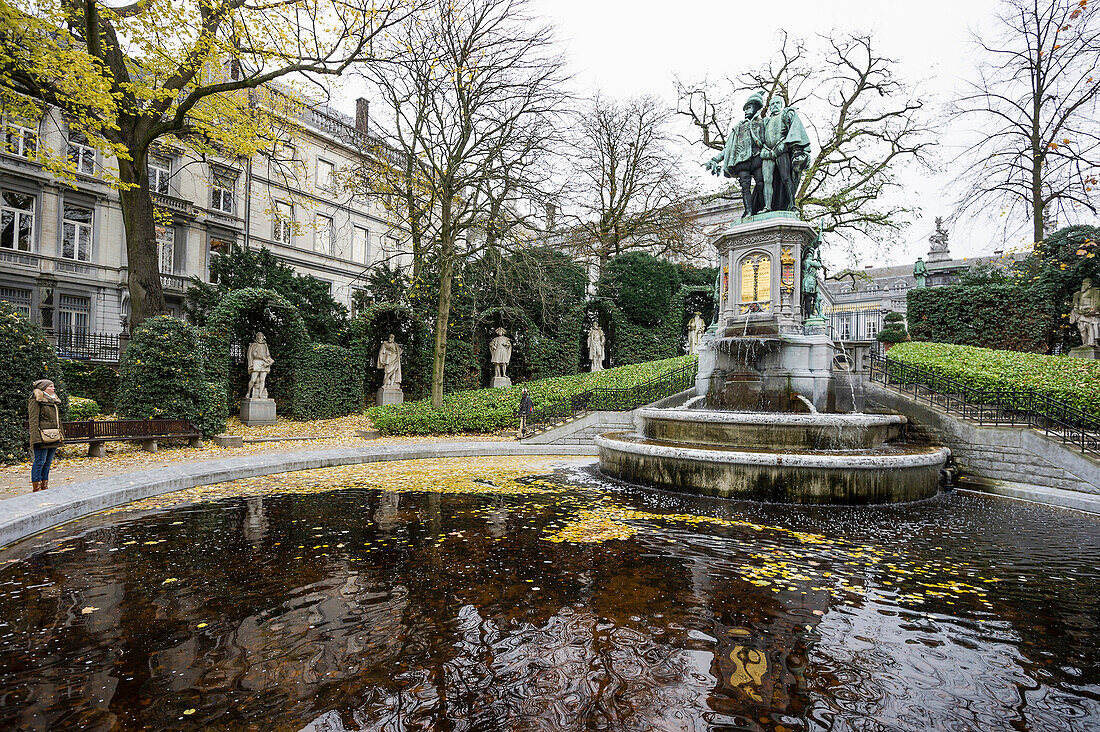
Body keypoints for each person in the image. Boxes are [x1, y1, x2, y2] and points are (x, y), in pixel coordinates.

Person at [706, 93, 766, 216]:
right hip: (741, 161)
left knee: (761, 184)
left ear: (756, 108)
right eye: (745, 109)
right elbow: (727, 148)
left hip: (757, 158)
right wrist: (715, 160)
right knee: (745, 188)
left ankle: (764, 208)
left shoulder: (763, 123)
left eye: (749, 108)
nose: (746, 111)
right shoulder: (738, 128)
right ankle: (748, 211)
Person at [28, 379, 64, 492]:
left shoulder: (53, 400)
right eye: (50, 386)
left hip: (53, 435)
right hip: (42, 436)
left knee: (48, 463)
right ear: (43, 389)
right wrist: (36, 438)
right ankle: (37, 488)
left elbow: (57, 420)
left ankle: (44, 486)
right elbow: (33, 420)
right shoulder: (36, 400)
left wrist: (60, 434)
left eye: (53, 386)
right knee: (40, 462)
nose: (53, 389)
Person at [1070, 277, 1100, 347]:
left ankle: (1092, 343)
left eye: (1085, 283)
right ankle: (1085, 343)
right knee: (1082, 328)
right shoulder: (1079, 294)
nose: (1083, 284)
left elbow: (1098, 303)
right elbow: (1075, 304)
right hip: (1081, 313)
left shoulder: (1095, 292)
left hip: (1090, 313)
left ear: (1089, 284)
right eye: (1082, 283)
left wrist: (1091, 310)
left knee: (1090, 327)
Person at [245, 332, 275, 399]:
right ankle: (248, 392)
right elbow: (254, 355)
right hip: (257, 362)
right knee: (253, 379)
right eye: (259, 336)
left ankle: (260, 395)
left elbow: (268, 355)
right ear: (257, 337)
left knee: (263, 379)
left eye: (262, 336)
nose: (260, 337)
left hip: (264, 363)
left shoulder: (265, 345)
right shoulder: (254, 345)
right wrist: (263, 358)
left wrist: (270, 360)